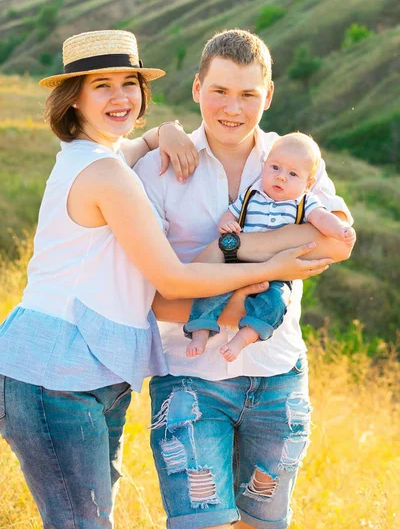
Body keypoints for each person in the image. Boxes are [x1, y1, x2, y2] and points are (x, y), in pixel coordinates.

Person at [0, 29, 329, 529]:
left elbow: (132, 146)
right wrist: (271, 269)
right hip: (56, 370)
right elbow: (171, 282)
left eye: (128, 83)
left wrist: (160, 133)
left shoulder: (112, 158)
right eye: (101, 86)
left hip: (96, 372)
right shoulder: (108, 172)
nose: (120, 97)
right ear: (73, 99)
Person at [133, 28, 355, 529]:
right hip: (190, 379)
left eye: (248, 95)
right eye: (220, 92)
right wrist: (273, 260)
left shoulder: (297, 157)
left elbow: (337, 241)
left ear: (268, 96)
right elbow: (153, 294)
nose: (232, 108)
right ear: (196, 89)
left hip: (278, 375)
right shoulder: (159, 169)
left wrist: (228, 250)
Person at [184, 132, 356, 361]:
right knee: (211, 292)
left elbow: (322, 219)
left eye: (293, 174)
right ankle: (200, 332)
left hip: (278, 273)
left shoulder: (304, 202)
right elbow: (230, 212)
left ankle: (244, 337)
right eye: (275, 168)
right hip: (236, 265)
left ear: (309, 184)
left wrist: (340, 230)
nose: (281, 177)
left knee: (276, 303)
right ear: (265, 166)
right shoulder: (252, 195)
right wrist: (227, 224)